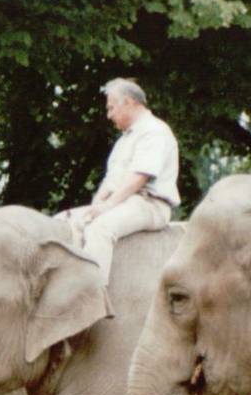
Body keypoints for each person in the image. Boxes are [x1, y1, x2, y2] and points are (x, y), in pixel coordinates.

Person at [63, 77, 180, 287]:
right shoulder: (124, 140)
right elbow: (110, 182)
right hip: (124, 202)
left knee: (100, 229)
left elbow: (139, 177)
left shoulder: (154, 131)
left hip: (149, 204)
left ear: (129, 102)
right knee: (64, 221)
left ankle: (92, 298)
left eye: (111, 108)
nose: (108, 115)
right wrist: (94, 207)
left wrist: (106, 207)